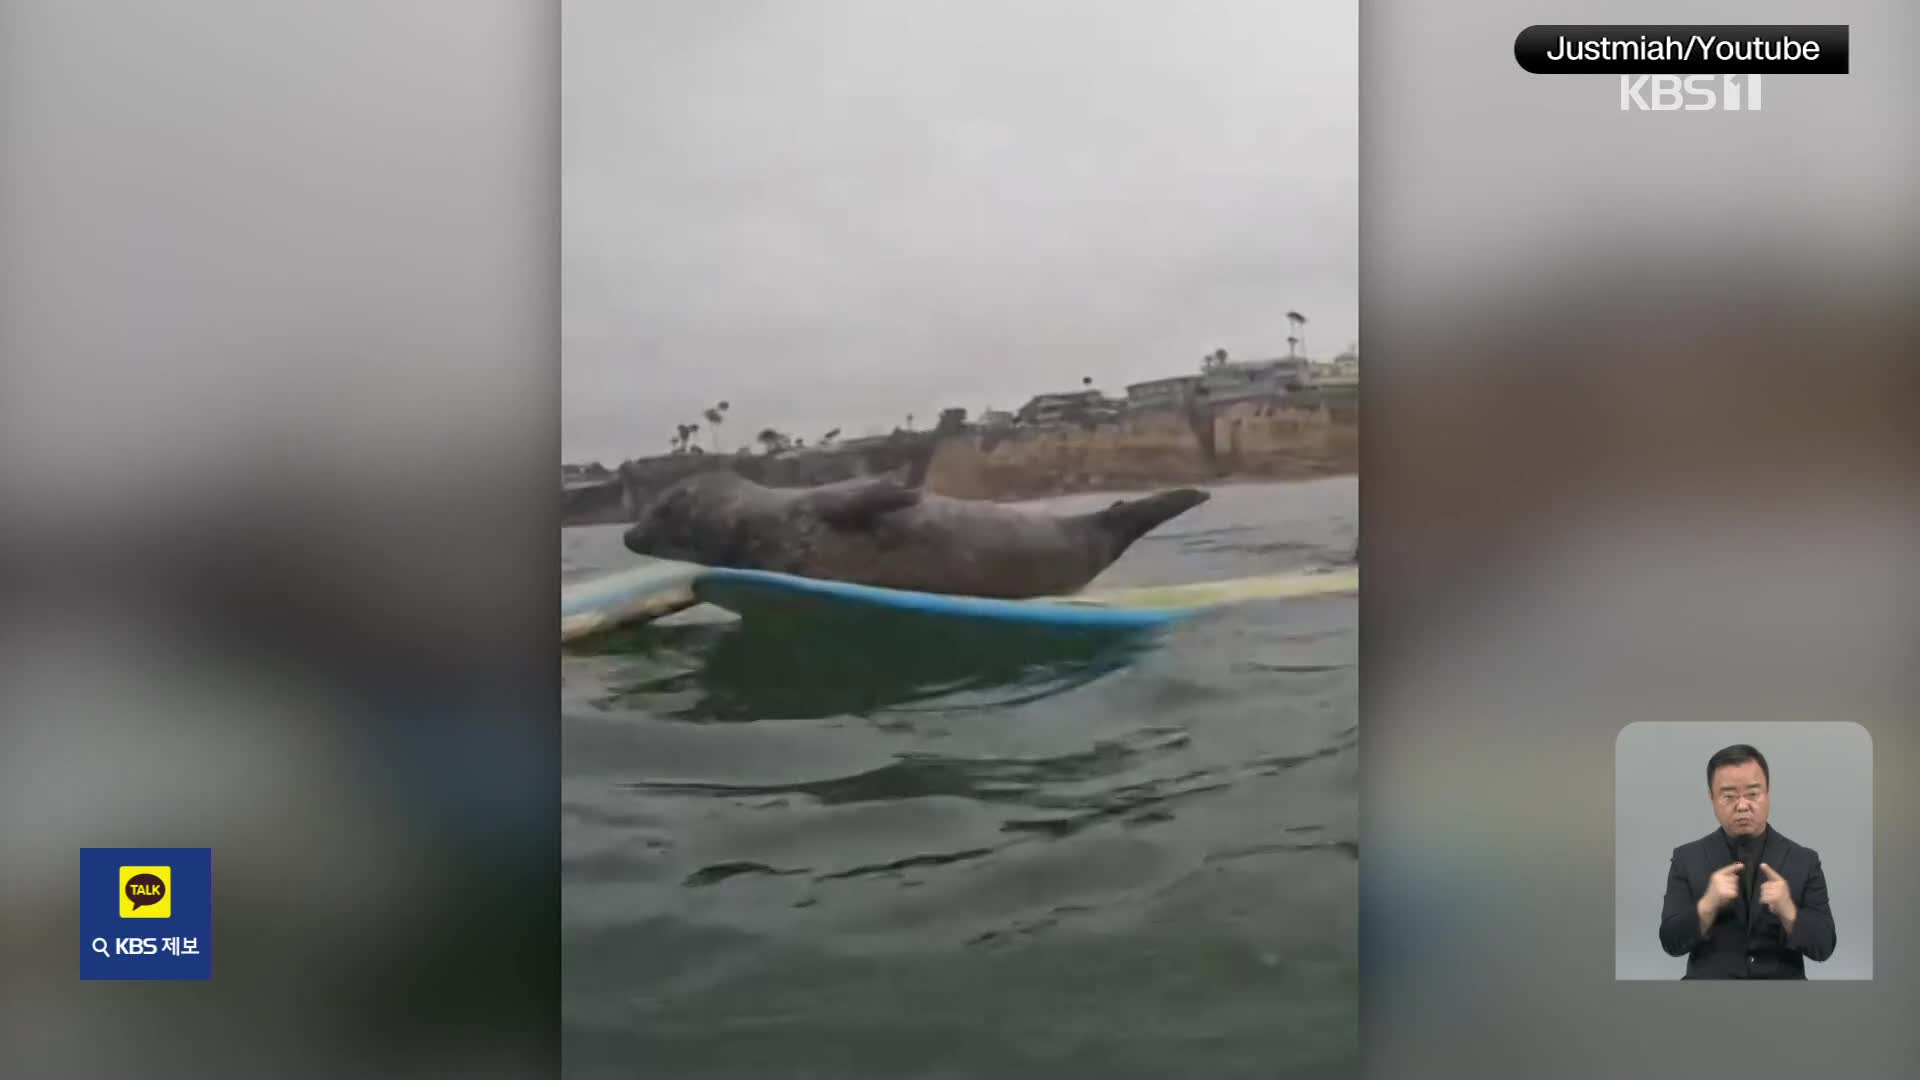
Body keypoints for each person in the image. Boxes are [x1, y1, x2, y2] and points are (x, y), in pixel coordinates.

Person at [1658, 744, 1837, 978]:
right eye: (1729, 796)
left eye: (1753, 794)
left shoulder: (1804, 860)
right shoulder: (1686, 858)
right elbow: (1671, 942)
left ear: (1768, 793)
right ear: (1712, 798)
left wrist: (1788, 910)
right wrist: (1707, 904)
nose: (1742, 806)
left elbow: (1824, 947)